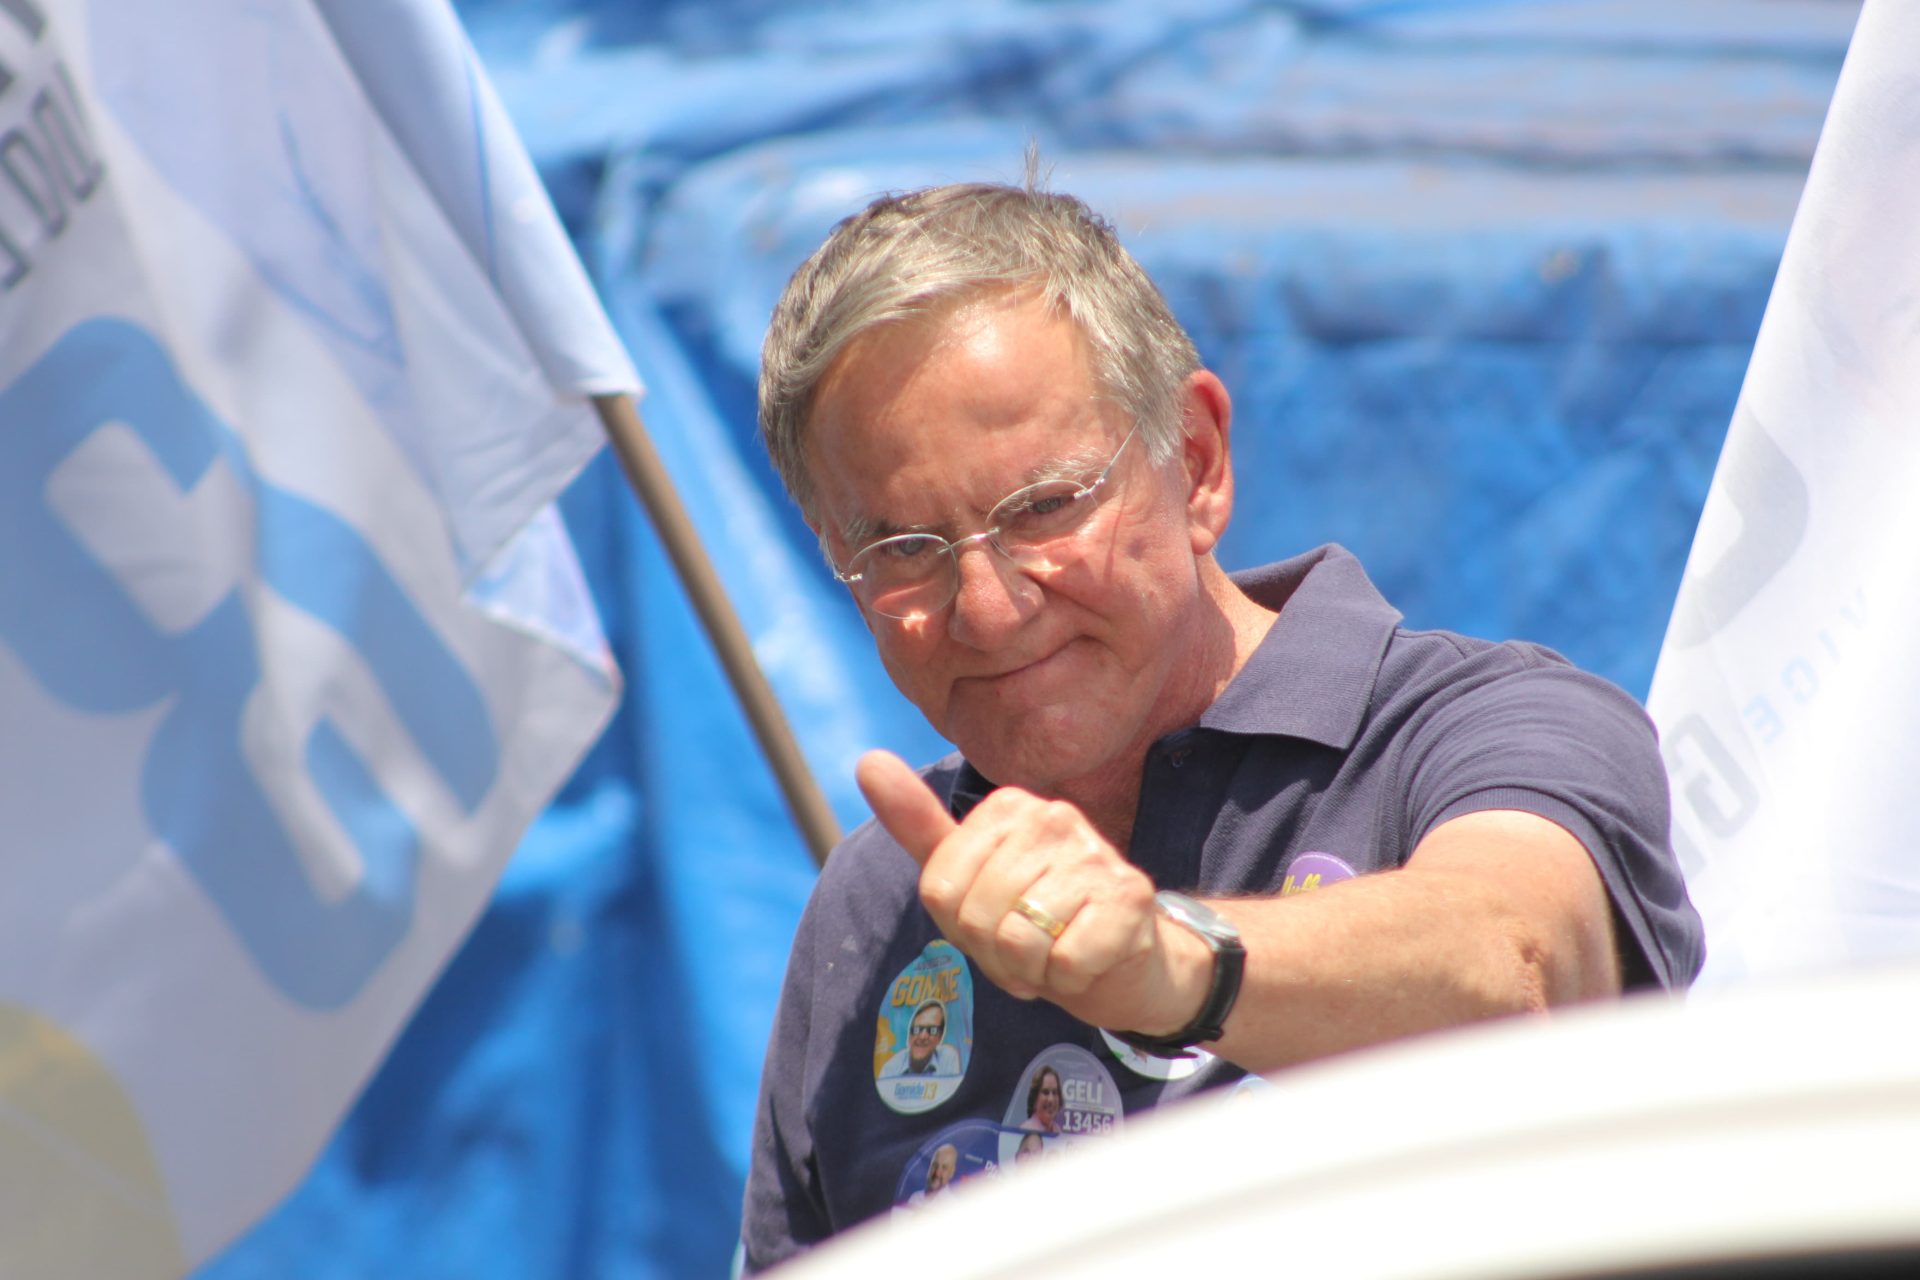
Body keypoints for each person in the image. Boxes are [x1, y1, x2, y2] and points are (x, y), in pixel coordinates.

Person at [741, 177, 1704, 1271]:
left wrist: (1180, 958)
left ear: (1195, 463)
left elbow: (1517, 962)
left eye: (1045, 506)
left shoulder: (1486, 730)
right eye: (903, 548)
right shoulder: (877, 901)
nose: (991, 604)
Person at [878, 999, 962, 1077]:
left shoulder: (948, 1058)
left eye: (932, 1030)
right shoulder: (890, 1069)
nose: (923, 1036)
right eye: (917, 1029)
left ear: (940, 1038)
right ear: (909, 1037)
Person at [1018, 1065, 1062, 1135]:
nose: (1051, 1099)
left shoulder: (1058, 1131)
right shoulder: (1025, 1132)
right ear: (1034, 1098)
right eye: (1045, 1092)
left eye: (1055, 1092)